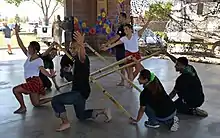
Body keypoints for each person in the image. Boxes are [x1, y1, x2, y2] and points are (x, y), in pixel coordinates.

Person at [51, 31, 112, 132]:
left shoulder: (83, 58)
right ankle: (103, 111)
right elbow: (77, 75)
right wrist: (68, 72)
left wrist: (81, 44)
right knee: (81, 116)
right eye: (70, 48)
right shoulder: (75, 60)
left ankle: (65, 123)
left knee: (56, 100)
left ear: (79, 48)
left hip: (79, 93)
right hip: (80, 91)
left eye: (74, 48)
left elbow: (82, 56)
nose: (71, 50)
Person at [13, 24, 55, 114]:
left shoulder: (39, 60)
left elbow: (42, 70)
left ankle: (23, 107)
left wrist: (50, 75)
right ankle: (54, 99)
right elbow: (21, 45)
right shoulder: (29, 56)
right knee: (36, 103)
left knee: (16, 90)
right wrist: (16, 33)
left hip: (34, 81)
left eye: (30, 47)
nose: (28, 48)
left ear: (35, 50)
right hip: (30, 81)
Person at [102, 17, 152, 85]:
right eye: (124, 30)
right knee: (130, 70)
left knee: (138, 69)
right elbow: (115, 44)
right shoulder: (124, 38)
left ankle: (130, 81)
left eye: (126, 29)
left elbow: (143, 28)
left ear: (131, 29)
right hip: (128, 55)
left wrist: (148, 21)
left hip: (136, 54)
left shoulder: (136, 35)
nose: (125, 31)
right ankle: (130, 83)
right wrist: (107, 47)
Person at [165, 51, 208, 117]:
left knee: (172, 108)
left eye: (177, 65)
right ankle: (190, 106)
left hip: (191, 101)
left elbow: (173, 93)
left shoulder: (182, 79)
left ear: (182, 66)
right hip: (200, 98)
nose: (175, 66)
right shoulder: (190, 68)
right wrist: (168, 54)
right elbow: (177, 61)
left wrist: (165, 102)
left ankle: (192, 110)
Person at [101, 12, 129, 86]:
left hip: (123, 48)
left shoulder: (123, 27)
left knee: (123, 65)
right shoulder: (128, 26)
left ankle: (126, 81)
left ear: (124, 18)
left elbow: (116, 38)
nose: (118, 19)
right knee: (123, 65)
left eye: (120, 17)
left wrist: (106, 45)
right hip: (123, 48)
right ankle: (126, 81)